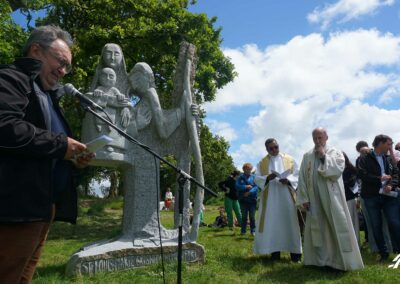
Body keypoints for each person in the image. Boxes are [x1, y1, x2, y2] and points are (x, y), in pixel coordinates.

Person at [0, 25, 94, 283]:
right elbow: (5, 127)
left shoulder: (48, 95)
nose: (63, 71)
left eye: (67, 67)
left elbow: (45, 148)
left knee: (22, 278)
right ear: (36, 51)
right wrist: (62, 145)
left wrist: (73, 159)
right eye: (60, 62)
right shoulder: (12, 78)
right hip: (16, 207)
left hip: (42, 208)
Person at [297, 127, 363, 271]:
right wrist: (303, 198)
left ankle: (339, 261)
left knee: (336, 227)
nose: (317, 140)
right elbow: (302, 178)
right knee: (318, 229)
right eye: (315, 138)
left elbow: (336, 171)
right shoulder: (307, 155)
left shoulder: (335, 152)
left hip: (332, 198)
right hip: (313, 199)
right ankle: (319, 261)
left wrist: (323, 157)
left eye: (320, 137)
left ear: (326, 137)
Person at [253, 138, 302, 262]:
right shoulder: (262, 163)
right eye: (271, 148)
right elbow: (257, 178)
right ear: (267, 149)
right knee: (273, 224)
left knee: (290, 223)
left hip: (287, 196)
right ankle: (275, 254)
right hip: (271, 199)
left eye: (276, 147)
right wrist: (268, 178)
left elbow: (297, 174)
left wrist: (289, 180)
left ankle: (295, 254)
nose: (274, 150)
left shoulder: (289, 159)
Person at [357, 134, 400, 261]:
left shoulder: (388, 158)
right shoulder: (364, 159)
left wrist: (391, 185)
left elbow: (396, 173)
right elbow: (361, 174)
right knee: (376, 225)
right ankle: (384, 253)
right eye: (389, 144)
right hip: (371, 197)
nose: (390, 147)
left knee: (394, 222)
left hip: (388, 196)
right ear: (380, 144)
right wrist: (379, 179)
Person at [342, 152, 360, 244]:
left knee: (353, 223)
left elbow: (354, 185)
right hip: (340, 200)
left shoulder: (350, 170)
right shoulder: (337, 171)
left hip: (350, 199)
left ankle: (355, 244)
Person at [236, 163, 258, 236]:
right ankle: (243, 231)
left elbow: (256, 187)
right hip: (243, 200)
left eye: (249, 169)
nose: (248, 170)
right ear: (243, 169)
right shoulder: (240, 178)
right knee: (244, 216)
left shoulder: (254, 177)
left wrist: (249, 192)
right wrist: (245, 186)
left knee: (252, 216)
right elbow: (237, 186)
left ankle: (253, 231)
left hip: (252, 200)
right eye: (247, 169)